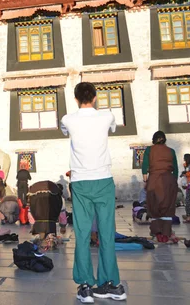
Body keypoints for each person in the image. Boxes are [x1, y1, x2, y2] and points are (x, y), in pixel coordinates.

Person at [60, 82, 126, 303]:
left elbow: (65, 131)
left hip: (80, 182)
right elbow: (114, 127)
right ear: (95, 97)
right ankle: (110, 284)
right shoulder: (107, 116)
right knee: (107, 232)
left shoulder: (67, 119)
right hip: (103, 180)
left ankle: (86, 286)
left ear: (76, 99)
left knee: (83, 232)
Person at [142, 131, 179, 243]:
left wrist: (145, 179)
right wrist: (174, 182)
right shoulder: (171, 151)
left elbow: (145, 165)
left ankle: (157, 232)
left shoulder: (149, 150)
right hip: (169, 180)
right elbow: (176, 169)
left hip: (154, 179)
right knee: (167, 207)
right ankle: (166, 234)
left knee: (154, 205)